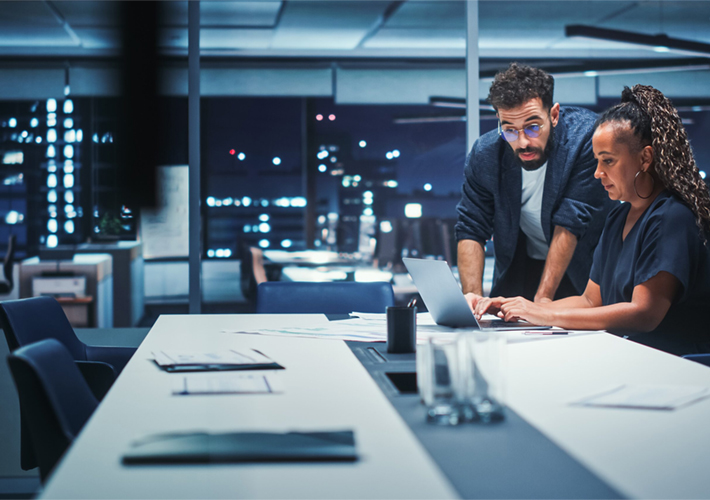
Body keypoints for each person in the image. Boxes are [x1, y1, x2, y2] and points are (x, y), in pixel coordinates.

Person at [476, 84, 710, 356]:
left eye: (608, 161)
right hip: (631, 356)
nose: (598, 173)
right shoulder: (619, 217)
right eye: (597, 161)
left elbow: (645, 313)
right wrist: (521, 307)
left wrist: (545, 316)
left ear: (645, 158)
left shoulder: (672, 217)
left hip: (677, 365)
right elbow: (589, 300)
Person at [455, 63, 613, 310]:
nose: (523, 142)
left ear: (554, 114)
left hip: (585, 272)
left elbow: (571, 222)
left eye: (532, 127)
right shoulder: (486, 154)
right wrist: (472, 300)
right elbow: (471, 227)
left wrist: (541, 304)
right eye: (509, 130)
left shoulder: (587, 138)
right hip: (522, 268)